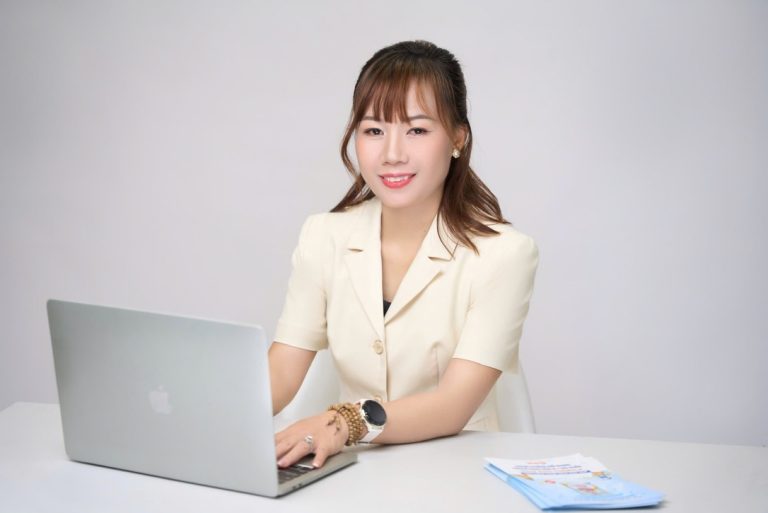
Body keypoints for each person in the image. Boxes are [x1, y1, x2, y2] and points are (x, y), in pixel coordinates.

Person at [269, 40, 538, 469]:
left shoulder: (505, 254)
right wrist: (204, 410)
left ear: (457, 138)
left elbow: (452, 405)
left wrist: (343, 423)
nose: (392, 154)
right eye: (374, 130)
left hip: (462, 473)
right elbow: (281, 373)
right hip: (351, 471)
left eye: (417, 130)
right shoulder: (323, 235)